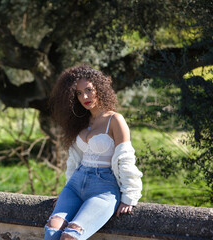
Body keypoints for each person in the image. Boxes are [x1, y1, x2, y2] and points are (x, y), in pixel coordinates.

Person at [44, 64, 143, 240]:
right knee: (52, 229)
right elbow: (74, 160)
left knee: (70, 236)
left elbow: (125, 158)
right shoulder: (79, 121)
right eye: (79, 93)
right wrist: (66, 189)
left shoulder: (115, 120)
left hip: (103, 189)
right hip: (75, 186)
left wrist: (129, 196)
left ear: (99, 88)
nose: (85, 97)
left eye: (89, 90)